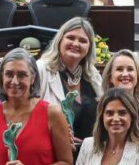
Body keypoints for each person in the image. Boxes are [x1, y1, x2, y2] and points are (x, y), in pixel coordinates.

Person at [37, 16, 103, 155]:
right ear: (60, 39)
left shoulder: (93, 75)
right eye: (71, 37)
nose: (76, 43)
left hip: (90, 157)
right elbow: (29, 114)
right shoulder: (41, 70)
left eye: (83, 41)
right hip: (54, 155)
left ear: (89, 47)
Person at [103, 49, 139, 130]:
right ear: (110, 76)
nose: (125, 74)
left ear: (138, 75)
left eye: (130, 69)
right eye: (119, 69)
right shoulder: (100, 109)